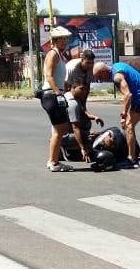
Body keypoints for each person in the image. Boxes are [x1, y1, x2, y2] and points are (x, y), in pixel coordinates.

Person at [92, 61, 140, 168]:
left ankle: (131, 159)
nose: (99, 80)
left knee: (128, 125)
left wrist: (124, 113)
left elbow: (128, 95)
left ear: (104, 71)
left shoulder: (116, 77)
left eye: (99, 76)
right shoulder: (117, 65)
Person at [40, 26, 74, 172]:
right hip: (51, 95)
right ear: (55, 40)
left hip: (55, 94)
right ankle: (53, 162)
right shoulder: (52, 54)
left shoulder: (60, 55)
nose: (65, 41)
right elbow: (49, 76)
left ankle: (53, 161)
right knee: (60, 130)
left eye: (66, 39)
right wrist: (58, 93)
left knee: (59, 129)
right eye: (62, 39)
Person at [64, 81, 104, 162]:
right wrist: (82, 148)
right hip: (67, 136)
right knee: (95, 137)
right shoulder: (72, 103)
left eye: (85, 89)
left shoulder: (73, 96)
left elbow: (83, 113)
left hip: (69, 133)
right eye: (81, 89)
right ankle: (77, 150)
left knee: (94, 135)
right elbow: (75, 128)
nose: (84, 91)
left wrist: (95, 117)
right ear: (73, 88)